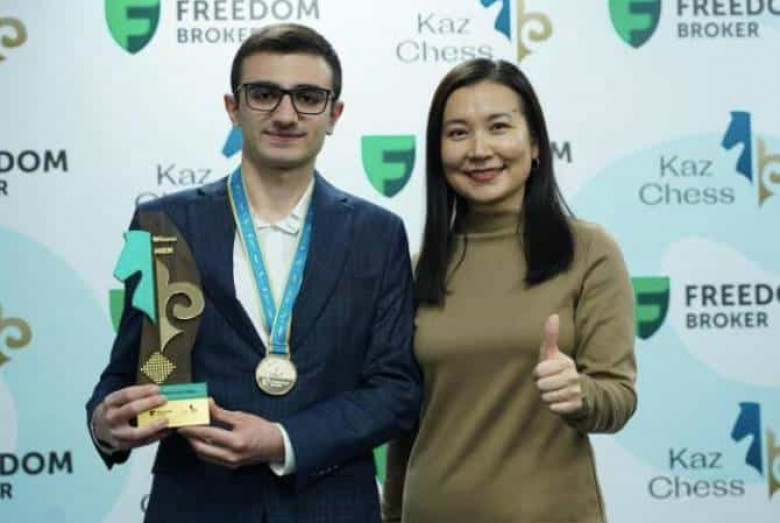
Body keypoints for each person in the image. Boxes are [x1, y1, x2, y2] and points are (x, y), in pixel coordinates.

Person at [86, 23, 421, 523]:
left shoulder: (378, 233)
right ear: (232, 107)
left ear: (334, 114)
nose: (285, 115)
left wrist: (285, 440)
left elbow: (396, 390)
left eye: (308, 97)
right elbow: (130, 370)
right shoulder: (166, 224)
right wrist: (104, 423)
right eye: (264, 94)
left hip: (330, 507)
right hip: (197, 506)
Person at [382, 59, 637, 523]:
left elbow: (617, 397)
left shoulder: (588, 251)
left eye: (498, 127)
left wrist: (579, 393)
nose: (479, 150)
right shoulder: (417, 270)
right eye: (458, 133)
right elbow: (403, 423)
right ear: (438, 152)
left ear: (535, 144)